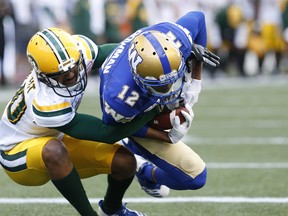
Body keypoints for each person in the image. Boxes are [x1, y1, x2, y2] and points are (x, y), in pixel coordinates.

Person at [0, 27, 162, 216]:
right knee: (54, 150)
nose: (70, 75)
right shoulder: (44, 100)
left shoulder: (80, 50)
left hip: (52, 138)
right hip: (16, 154)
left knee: (124, 162)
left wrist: (157, 57)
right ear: (43, 75)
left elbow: (122, 54)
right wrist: (155, 108)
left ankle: (112, 209)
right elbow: (107, 133)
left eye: (73, 67)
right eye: (60, 74)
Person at [99, 11, 220, 198]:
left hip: (142, 95)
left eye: (171, 81)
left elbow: (199, 17)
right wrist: (164, 137)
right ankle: (143, 167)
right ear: (138, 78)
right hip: (130, 119)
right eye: (161, 85)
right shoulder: (119, 95)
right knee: (195, 176)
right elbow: (114, 128)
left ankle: (147, 173)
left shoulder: (177, 39)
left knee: (197, 177)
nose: (169, 88)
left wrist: (195, 81)